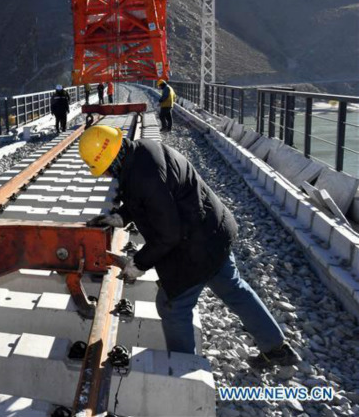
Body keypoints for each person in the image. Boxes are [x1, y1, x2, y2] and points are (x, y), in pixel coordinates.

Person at [79, 125, 301, 368]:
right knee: (233, 288)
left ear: (112, 159)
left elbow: (168, 234)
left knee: (172, 307)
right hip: (214, 231)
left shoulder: (143, 177)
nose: (106, 175)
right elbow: (147, 200)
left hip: (194, 245)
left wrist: (138, 264)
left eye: (104, 169)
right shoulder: (140, 152)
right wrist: (120, 217)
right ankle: (277, 348)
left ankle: (185, 371)